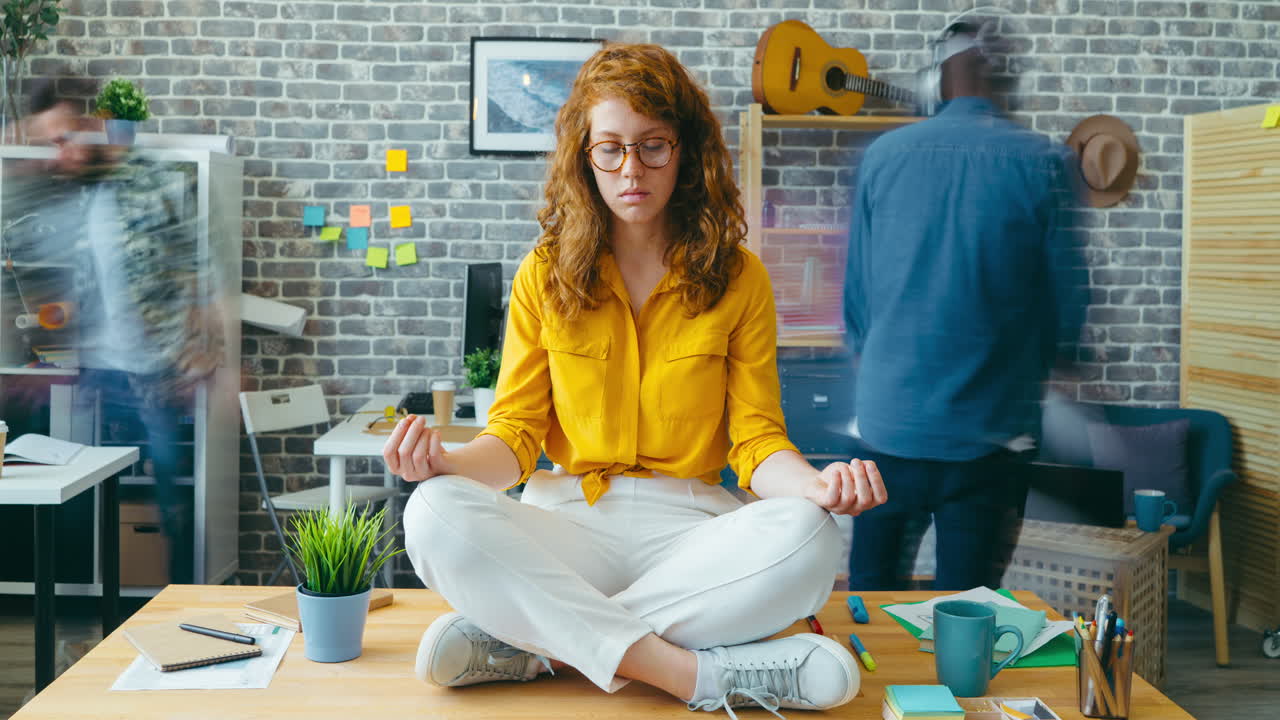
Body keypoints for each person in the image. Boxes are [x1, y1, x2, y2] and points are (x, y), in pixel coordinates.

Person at [383, 43, 887, 716]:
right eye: (611, 148)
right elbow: (515, 437)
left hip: (694, 529)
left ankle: (535, 646)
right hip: (568, 522)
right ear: (583, 156)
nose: (632, 170)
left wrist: (817, 487)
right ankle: (702, 678)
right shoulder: (543, 274)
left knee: (811, 537)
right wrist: (446, 461)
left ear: (688, 151)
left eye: (654, 146)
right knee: (433, 511)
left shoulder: (740, 278)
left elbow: (757, 441)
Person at [842, 21, 1085, 592]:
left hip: (888, 429)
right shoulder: (1044, 162)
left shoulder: (883, 156)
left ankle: (875, 683)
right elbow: (1067, 304)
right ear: (1007, 79)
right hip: (991, 435)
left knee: (872, 599)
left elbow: (858, 302)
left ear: (939, 79)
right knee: (970, 607)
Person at [23, 79, 225, 584]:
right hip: (98, 373)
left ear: (94, 127)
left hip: (153, 372)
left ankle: (180, 612)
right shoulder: (75, 192)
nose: (60, 153)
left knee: (168, 506)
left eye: (66, 138)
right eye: (50, 143)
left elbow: (201, 270)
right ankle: (99, 629)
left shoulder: (156, 182)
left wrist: (206, 350)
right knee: (88, 506)